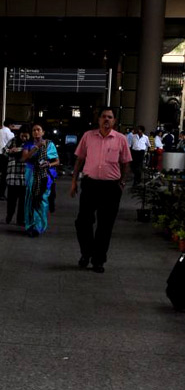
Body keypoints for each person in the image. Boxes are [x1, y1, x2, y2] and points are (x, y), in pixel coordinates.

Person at [70, 107, 132, 273]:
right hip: (90, 185)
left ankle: (98, 260)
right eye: (103, 117)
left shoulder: (121, 139)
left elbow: (126, 163)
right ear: (98, 120)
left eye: (110, 117)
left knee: (105, 225)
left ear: (114, 121)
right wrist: (74, 181)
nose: (106, 120)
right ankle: (86, 252)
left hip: (111, 187)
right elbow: (79, 160)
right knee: (83, 222)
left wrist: (122, 182)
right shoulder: (88, 136)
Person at [21, 123, 59, 237]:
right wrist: (36, 147)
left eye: (38, 130)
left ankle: (39, 227)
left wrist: (49, 164)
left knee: (42, 200)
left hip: (44, 176)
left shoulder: (49, 144)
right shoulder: (28, 144)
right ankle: (30, 225)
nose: (36, 132)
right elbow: (24, 158)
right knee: (30, 199)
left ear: (43, 132)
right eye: (34, 130)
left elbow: (57, 161)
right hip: (31, 174)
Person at [4, 125, 30, 226]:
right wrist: (10, 151)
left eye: (26, 136)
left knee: (23, 202)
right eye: (22, 136)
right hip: (13, 176)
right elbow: (3, 151)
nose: (24, 138)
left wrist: (19, 150)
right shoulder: (13, 141)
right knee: (11, 201)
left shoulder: (31, 144)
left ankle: (21, 220)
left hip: (25, 177)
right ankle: (9, 216)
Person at [0, 120, 14, 200]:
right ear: (10, 125)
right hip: (5, 156)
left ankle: (0, 194)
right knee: (5, 175)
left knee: (3, 175)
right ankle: (0, 194)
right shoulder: (10, 134)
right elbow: (12, 145)